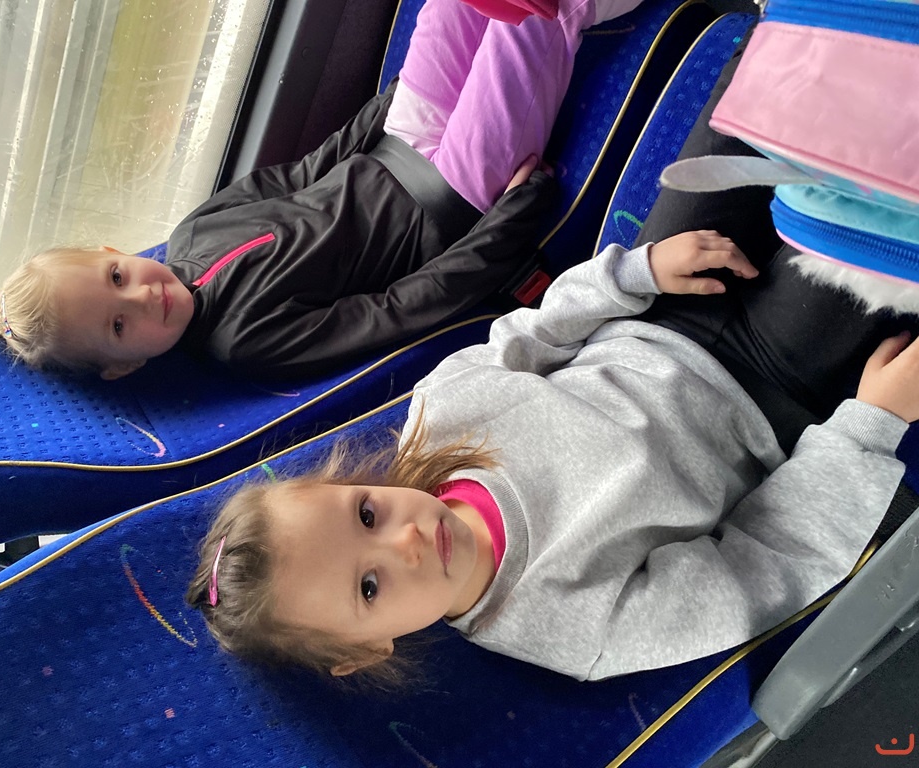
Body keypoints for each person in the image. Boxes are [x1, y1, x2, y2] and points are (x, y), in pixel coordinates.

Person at [184, 36, 919, 684]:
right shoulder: (569, 628)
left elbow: (534, 334)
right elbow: (763, 569)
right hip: (772, 392)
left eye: (367, 514)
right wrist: (868, 427)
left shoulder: (439, 420)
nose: (405, 539)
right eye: (370, 587)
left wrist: (635, 273)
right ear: (368, 650)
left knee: (750, 104)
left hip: (658, 309)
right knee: (879, 208)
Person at [0, 0, 642, 381]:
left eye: (117, 277)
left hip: (400, 137)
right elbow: (397, 310)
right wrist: (505, 224)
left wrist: (394, 105)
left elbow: (305, 173)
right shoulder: (246, 341)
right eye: (119, 324)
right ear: (123, 367)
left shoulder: (193, 233)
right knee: (535, 19)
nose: (142, 295)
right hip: (456, 197)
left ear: (114, 253)